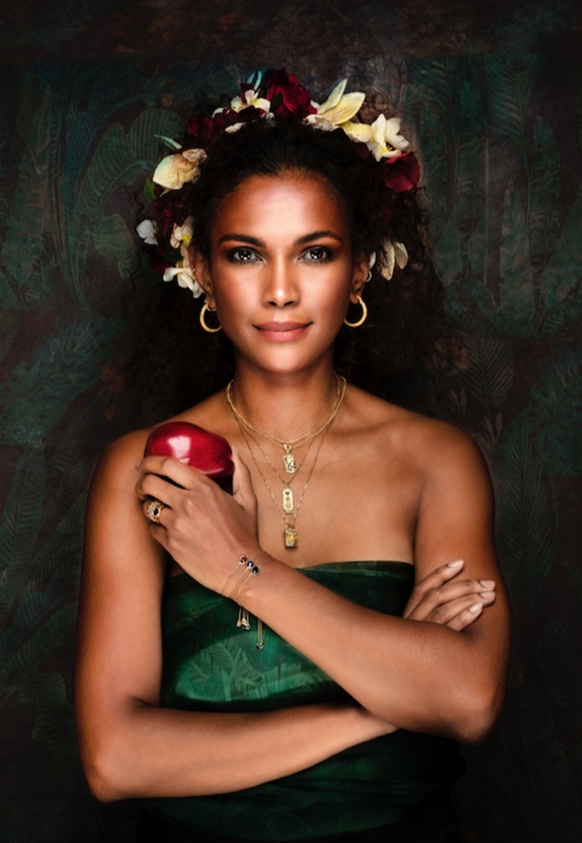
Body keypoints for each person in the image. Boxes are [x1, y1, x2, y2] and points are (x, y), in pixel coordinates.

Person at [74, 69, 510, 843]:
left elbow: (469, 700)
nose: (280, 291)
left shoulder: (436, 461)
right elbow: (116, 759)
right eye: (246, 255)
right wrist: (379, 702)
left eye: (314, 253)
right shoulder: (142, 468)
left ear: (361, 270)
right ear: (203, 271)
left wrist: (245, 567)